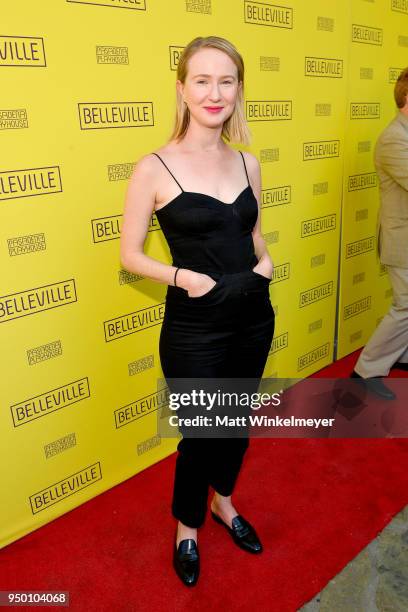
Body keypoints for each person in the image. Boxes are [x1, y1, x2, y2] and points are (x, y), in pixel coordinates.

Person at [120, 36, 275, 586]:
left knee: (235, 424)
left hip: (254, 314)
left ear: (238, 89)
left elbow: (253, 231)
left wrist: (266, 260)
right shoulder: (154, 167)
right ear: (182, 90)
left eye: (226, 81)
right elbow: (130, 255)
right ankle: (187, 528)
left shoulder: (249, 162)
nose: (215, 93)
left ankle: (224, 505)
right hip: (195, 326)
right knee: (201, 432)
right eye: (202, 81)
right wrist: (183, 276)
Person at [351, 67, 408, 400]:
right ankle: (365, 370)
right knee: (405, 306)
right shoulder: (393, 139)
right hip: (402, 240)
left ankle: (399, 355)